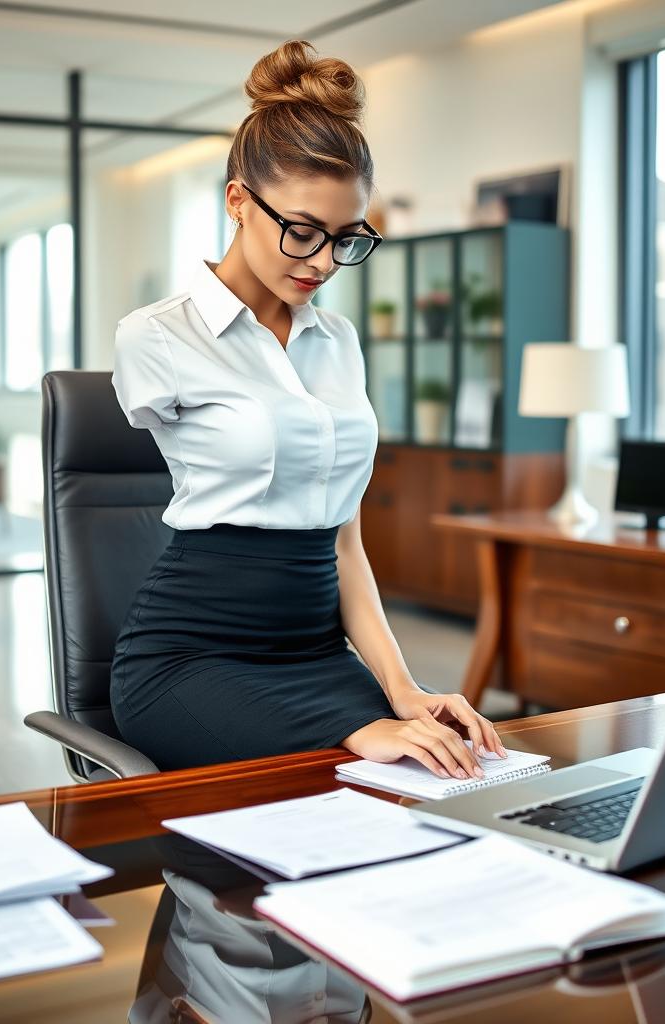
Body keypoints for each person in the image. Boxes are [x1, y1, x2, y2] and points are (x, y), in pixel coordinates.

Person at [110, 38, 506, 778]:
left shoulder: (339, 341)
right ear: (236, 200)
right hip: (192, 662)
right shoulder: (156, 338)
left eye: (346, 238)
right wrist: (363, 726)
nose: (323, 261)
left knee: (428, 769)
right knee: (344, 776)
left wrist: (402, 688)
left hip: (320, 659)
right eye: (302, 230)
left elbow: (344, 545)